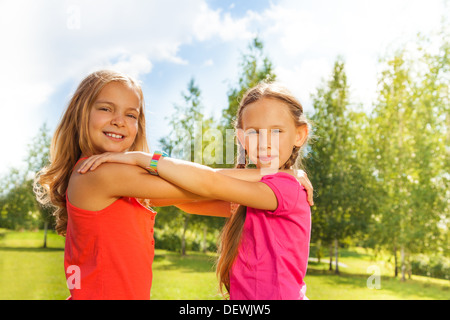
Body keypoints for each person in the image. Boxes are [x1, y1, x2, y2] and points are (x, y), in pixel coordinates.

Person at [34, 70, 313, 300]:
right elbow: (203, 186)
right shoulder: (98, 173)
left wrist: (279, 180)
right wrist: (281, 176)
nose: (119, 121)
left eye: (131, 115)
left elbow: (198, 193)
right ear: (81, 114)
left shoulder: (125, 183)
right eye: (106, 109)